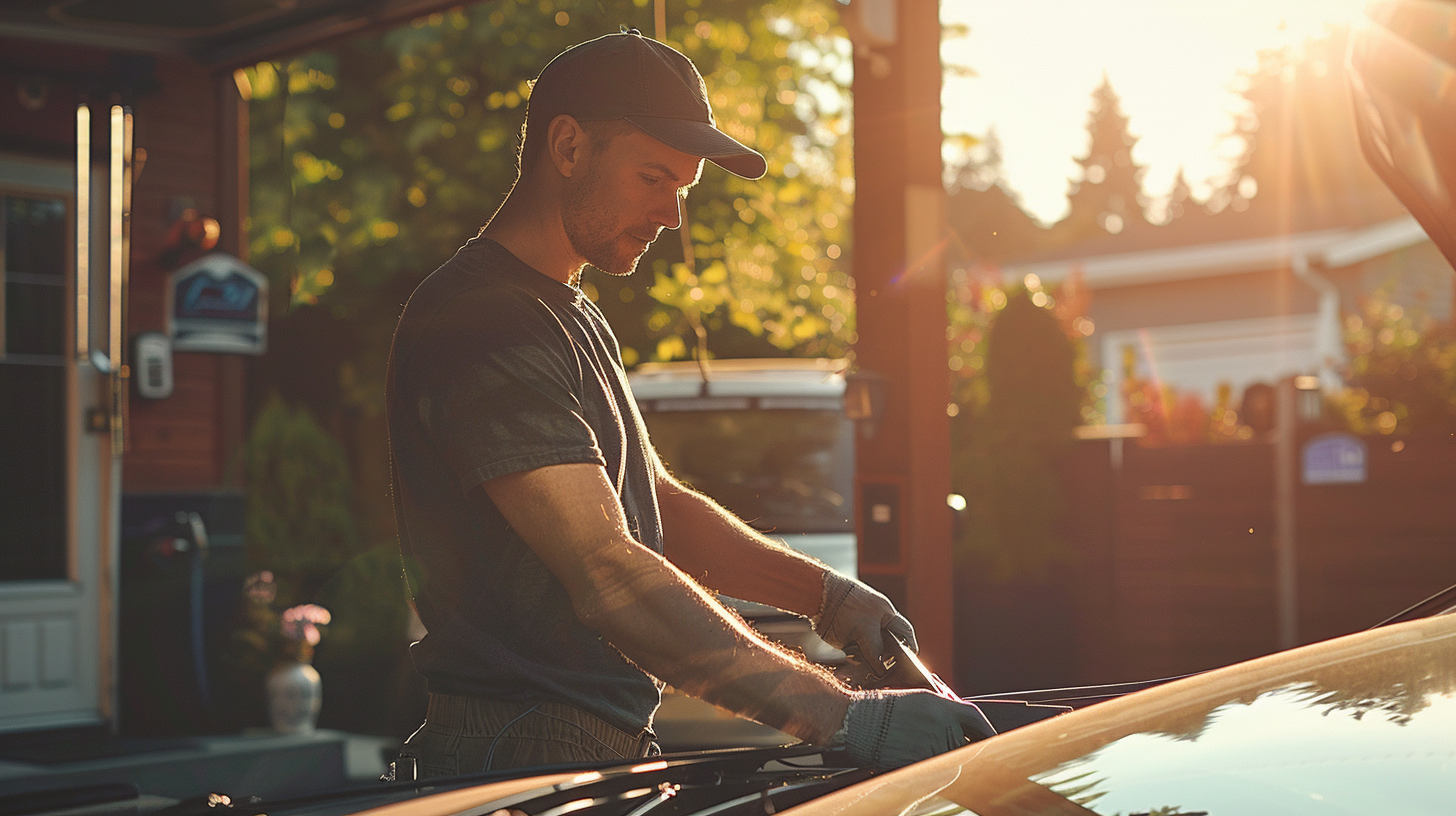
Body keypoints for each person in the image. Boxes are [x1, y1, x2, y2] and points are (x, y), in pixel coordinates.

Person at [386, 29, 992, 777]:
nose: (672, 217)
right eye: (653, 179)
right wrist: (843, 718)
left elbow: (654, 506)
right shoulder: (479, 318)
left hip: (586, 743)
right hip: (520, 752)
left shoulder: (569, 313)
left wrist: (826, 596)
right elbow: (607, 570)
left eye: (681, 190)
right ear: (568, 148)